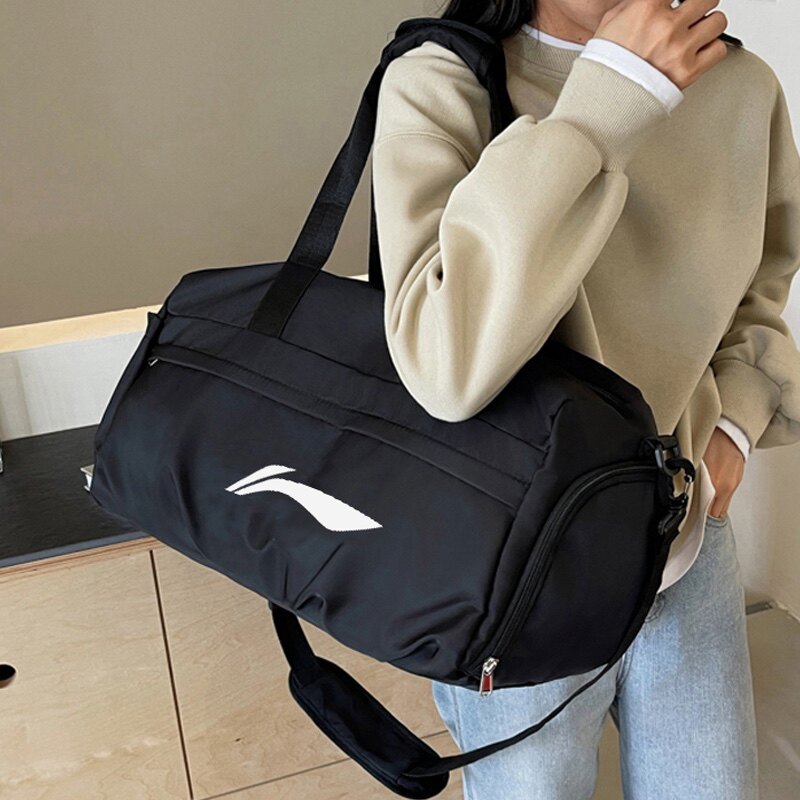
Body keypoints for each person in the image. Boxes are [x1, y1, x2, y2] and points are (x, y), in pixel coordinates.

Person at [370, 0, 800, 797]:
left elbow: (761, 287)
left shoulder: (739, 85)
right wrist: (610, 101)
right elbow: (444, 364)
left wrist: (735, 425)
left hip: (683, 536)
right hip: (513, 565)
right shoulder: (442, 81)